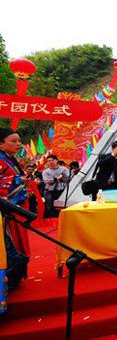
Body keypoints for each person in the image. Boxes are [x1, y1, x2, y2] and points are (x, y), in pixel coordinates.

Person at [0, 128, 30, 315]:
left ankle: (14, 278)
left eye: (19, 140)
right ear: (1, 144)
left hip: (15, 209)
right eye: (13, 141)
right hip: (5, 212)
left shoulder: (9, 159)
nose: (18, 144)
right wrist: (18, 180)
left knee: (17, 242)